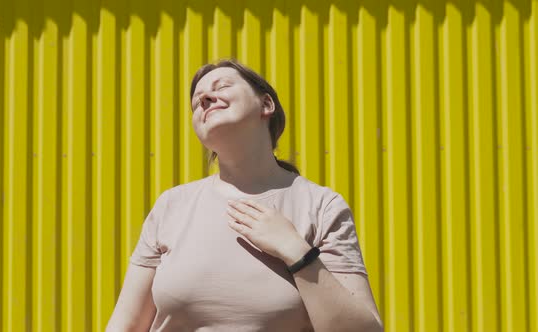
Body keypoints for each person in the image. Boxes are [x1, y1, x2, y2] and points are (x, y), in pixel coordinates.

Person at [107, 59, 383, 331]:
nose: (204, 97)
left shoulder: (321, 206)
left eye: (222, 86)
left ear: (266, 105)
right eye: (196, 101)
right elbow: (126, 325)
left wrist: (297, 253)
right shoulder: (171, 205)